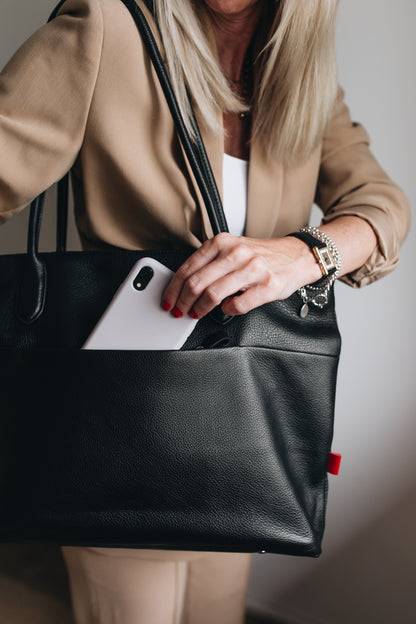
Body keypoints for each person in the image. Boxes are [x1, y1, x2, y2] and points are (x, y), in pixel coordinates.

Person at [0, 0, 411, 623]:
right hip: (121, 418)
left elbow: (380, 206)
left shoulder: (297, 69)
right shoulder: (107, 25)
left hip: (243, 440)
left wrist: (306, 254)